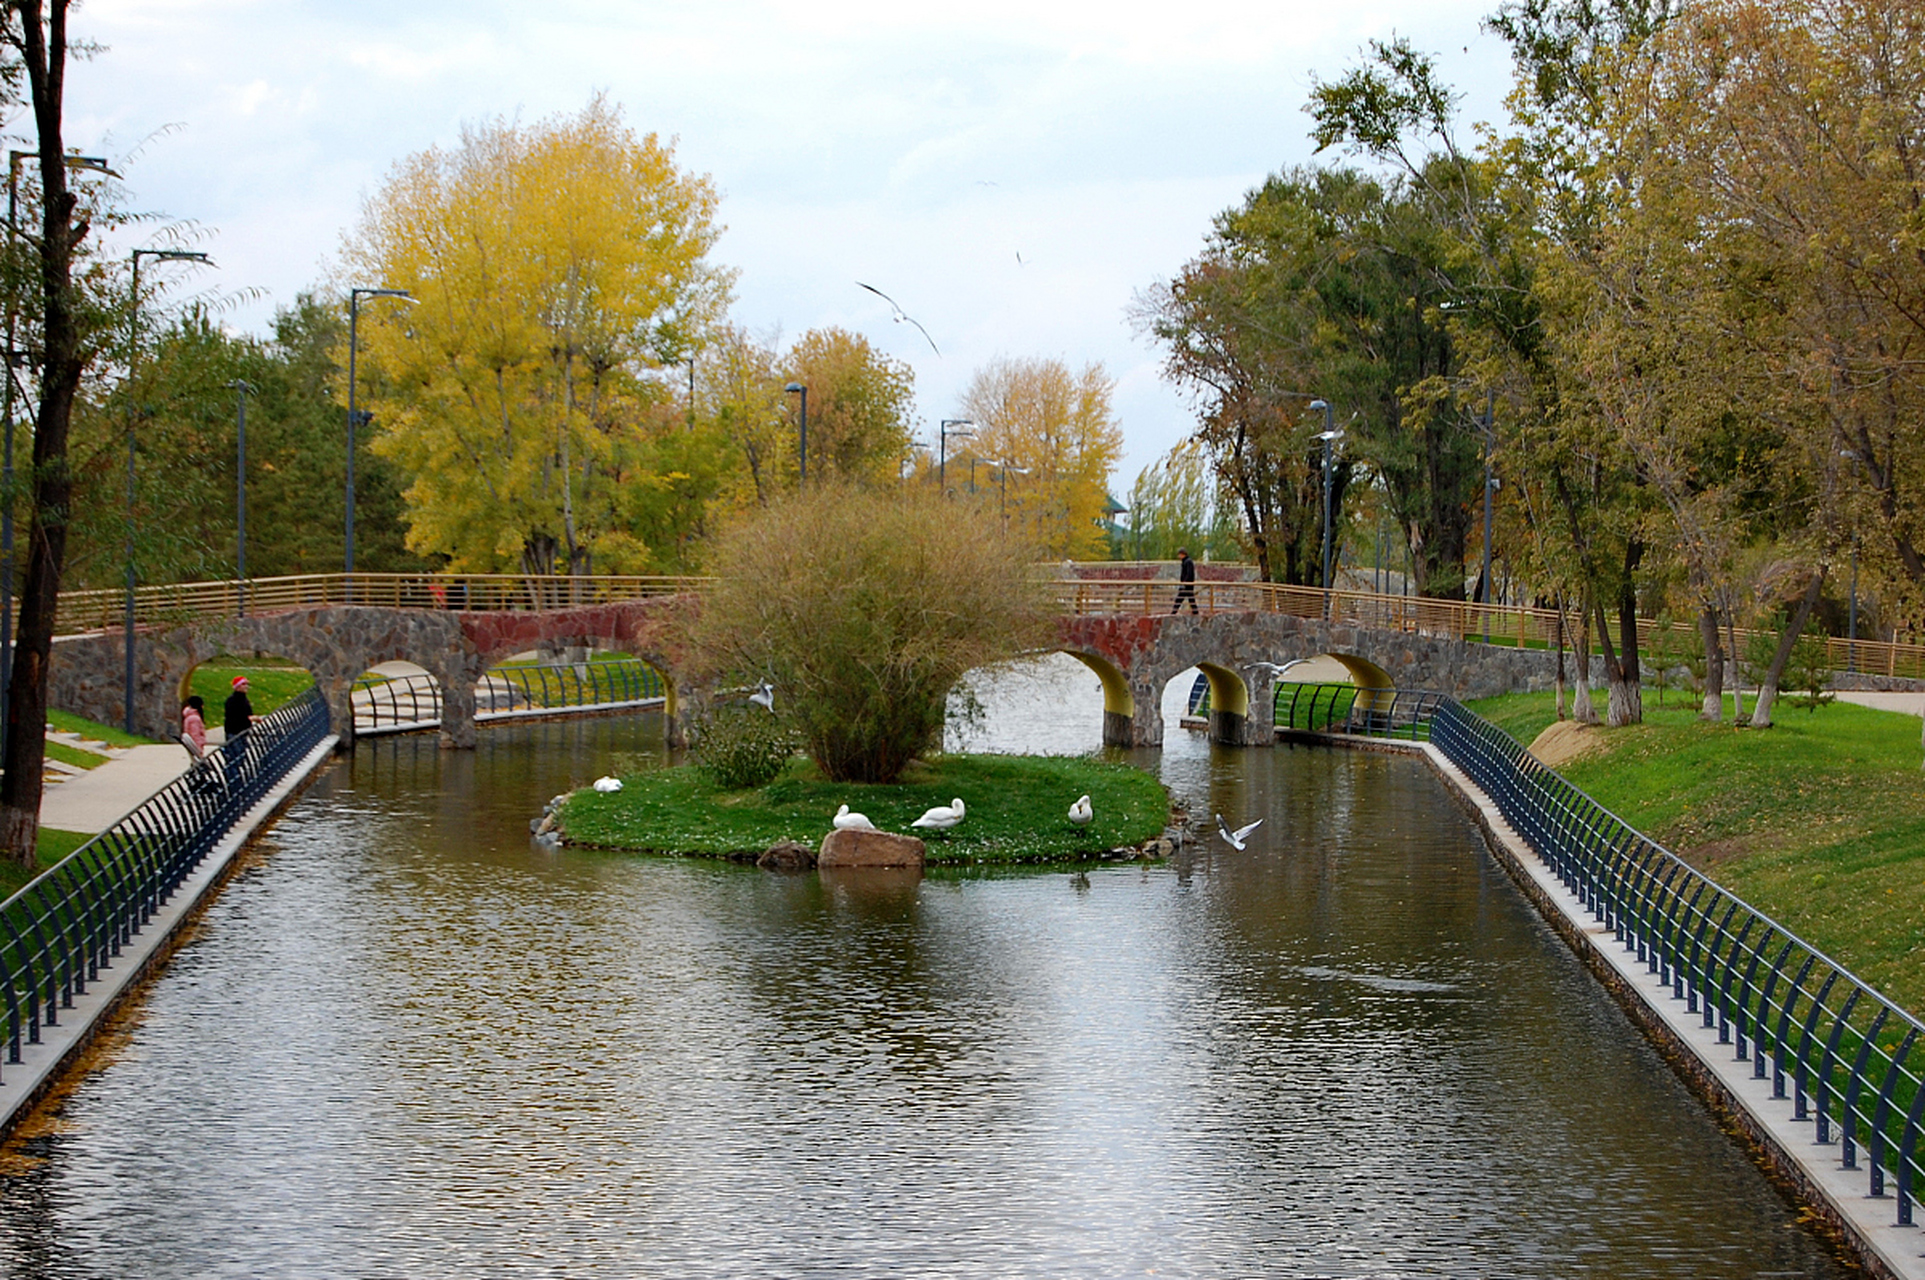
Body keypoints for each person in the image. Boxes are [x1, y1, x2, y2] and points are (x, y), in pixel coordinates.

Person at [223, 675, 255, 772]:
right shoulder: (232, 701)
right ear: (237, 687)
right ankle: (233, 780)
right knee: (235, 758)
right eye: (243, 684)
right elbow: (235, 717)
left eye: (246, 684)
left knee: (241, 757)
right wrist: (250, 719)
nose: (246, 687)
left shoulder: (243, 699)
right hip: (235, 732)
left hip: (242, 732)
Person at [1171, 548, 1198, 614]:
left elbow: (1189, 574)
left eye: (1179, 555)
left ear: (1183, 554)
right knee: (1190, 599)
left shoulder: (1187, 562)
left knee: (1180, 599)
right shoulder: (1187, 562)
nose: (1179, 556)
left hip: (1186, 585)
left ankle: (1173, 612)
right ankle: (1195, 612)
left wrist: (1184, 583)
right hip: (1187, 585)